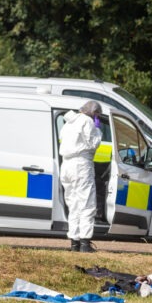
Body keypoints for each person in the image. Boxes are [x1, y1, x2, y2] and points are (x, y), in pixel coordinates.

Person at [59, 100, 103, 253]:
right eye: (98, 115)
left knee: (73, 205)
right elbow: (93, 144)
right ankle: (85, 243)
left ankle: (74, 243)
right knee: (87, 204)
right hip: (81, 165)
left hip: (66, 165)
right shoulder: (87, 121)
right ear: (94, 113)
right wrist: (98, 130)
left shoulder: (68, 123)